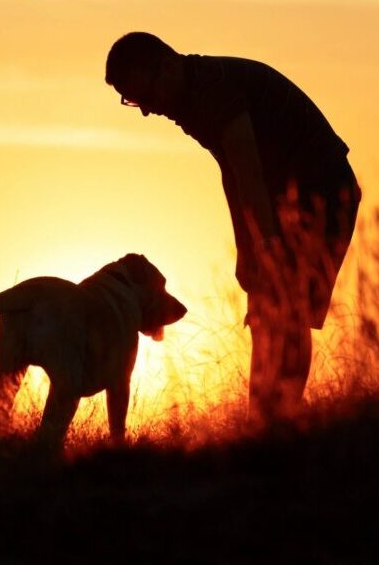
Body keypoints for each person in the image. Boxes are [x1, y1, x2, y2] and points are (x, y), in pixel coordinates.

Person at [105, 32, 361, 424]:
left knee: (284, 310)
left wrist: (267, 244)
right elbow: (232, 171)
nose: (146, 110)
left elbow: (248, 168)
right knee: (267, 309)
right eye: (134, 101)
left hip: (323, 192)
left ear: (167, 65)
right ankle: (268, 420)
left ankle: (277, 420)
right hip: (283, 198)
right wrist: (247, 246)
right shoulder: (188, 98)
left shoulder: (212, 90)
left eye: (144, 95)